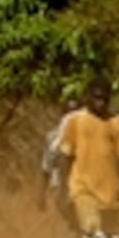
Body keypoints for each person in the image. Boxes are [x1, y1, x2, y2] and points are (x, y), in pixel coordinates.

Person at [55, 76, 119, 237]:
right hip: (82, 189)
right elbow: (64, 155)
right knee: (93, 231)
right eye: (96, 98)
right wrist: (62, 189)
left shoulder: (118, 122)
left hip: (110, 193)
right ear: (87, 97)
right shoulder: (75, 121)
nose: (100, 103)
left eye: (104, 99)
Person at [37, 97, 80, 226]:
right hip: (59, 184)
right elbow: (46, 166)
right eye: (69, 113)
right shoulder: (53, 137)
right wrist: (41, 194)